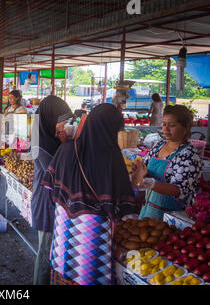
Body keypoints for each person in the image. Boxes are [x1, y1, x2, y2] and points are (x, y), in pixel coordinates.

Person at [42, 104, 140, 285]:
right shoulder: (111, 156)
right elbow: (124, 208)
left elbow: (49, 186)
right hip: (92, 233)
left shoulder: (66, 149)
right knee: (87, 274)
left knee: (63, 268)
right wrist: (137, 181)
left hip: (63, 225)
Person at [133, 105, 203, 221]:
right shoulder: (158, 146)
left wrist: (151, 184)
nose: (166, 129)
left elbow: (178, 189)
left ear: (185, 127)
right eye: (164, 124)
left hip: (171, 217)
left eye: (172, 125)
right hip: (148, 209)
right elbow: (144, 166)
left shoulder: (189, 156)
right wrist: (138, 170)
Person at [31, 95, 74, 285]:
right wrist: (67, 146)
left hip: (52, 200)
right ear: (50, 118)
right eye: (61, 121)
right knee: (46, 253)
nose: (63, 125)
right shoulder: (41, 143)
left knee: (51, 250)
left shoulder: (49, 137)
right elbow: (56, 172)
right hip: (46, 201)